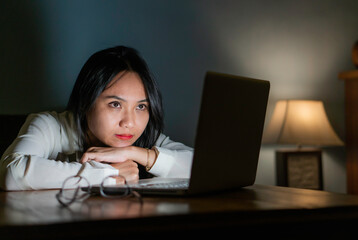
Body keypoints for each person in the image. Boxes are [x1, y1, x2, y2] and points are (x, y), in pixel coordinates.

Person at [0, 46, 193, 191]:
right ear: (86, 101)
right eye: (115, 104)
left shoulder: (144, 137)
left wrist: (133, 153)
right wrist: (109, 174)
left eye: (141, 107)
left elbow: (202, 168)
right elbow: (11, 172)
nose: (129, 122)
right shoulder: (49, 126)